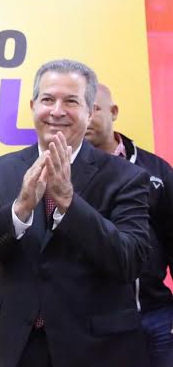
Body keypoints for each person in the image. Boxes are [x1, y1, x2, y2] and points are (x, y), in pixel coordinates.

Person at [0, 59, 150, 367]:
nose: (57, 111)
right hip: (12, 346)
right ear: (33, 106)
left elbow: (130, 261)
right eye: (48, 99)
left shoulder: (127, 177)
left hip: (95, 348)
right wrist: (20, 208)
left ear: (90, 112)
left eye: (71, 101)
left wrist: (69, 203)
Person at [86, 83, 173, 367]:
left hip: (155, 313)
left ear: (113, 112)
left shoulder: (155, 169)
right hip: (95, 321)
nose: (85, 118)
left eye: (94, 109)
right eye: (80, 109)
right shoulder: (64, 171)